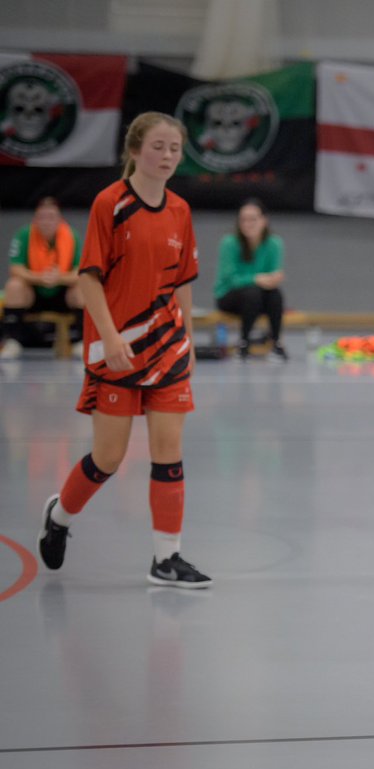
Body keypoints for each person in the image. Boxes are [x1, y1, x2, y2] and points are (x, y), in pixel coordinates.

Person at [36, 111, 211, 589]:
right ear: (134, 151)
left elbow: (182, 284)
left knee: (168, 449)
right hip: (117, 347)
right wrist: (109, 337)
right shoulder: (109, 204)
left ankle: (166, 558)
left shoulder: (180, 210)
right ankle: (60, 517)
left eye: (175, 149)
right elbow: (88, 277)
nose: (167, 156)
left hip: (167, 345)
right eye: (158, 147)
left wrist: (188, 340)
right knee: (108, 458)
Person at [1, 197, 84, 359]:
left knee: (83, 287)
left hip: (62, 292)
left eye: (51, 217)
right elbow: (15, 268)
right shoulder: (24, 235)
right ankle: (12, 340)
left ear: (59, 219)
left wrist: (59, 278)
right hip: (34, 293)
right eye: (42, 217)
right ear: (35, 219)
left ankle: (80, 341)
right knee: (14, 285)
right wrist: (40, 278)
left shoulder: (72, 236)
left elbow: (80, 271)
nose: (47, 222)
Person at [213, 198, 288, 361]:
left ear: (264, 221)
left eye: (253, 219)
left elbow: (274, 275)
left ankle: (276, 344)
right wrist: (257, 279)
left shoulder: (274, 243)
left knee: (275, 294)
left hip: (259, 298)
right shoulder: (229, 243)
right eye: (244, 220)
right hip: (229, 297)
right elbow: (231, 279)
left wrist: (272, 279)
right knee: (252, 293)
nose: (248, 224)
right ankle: (244, 343)